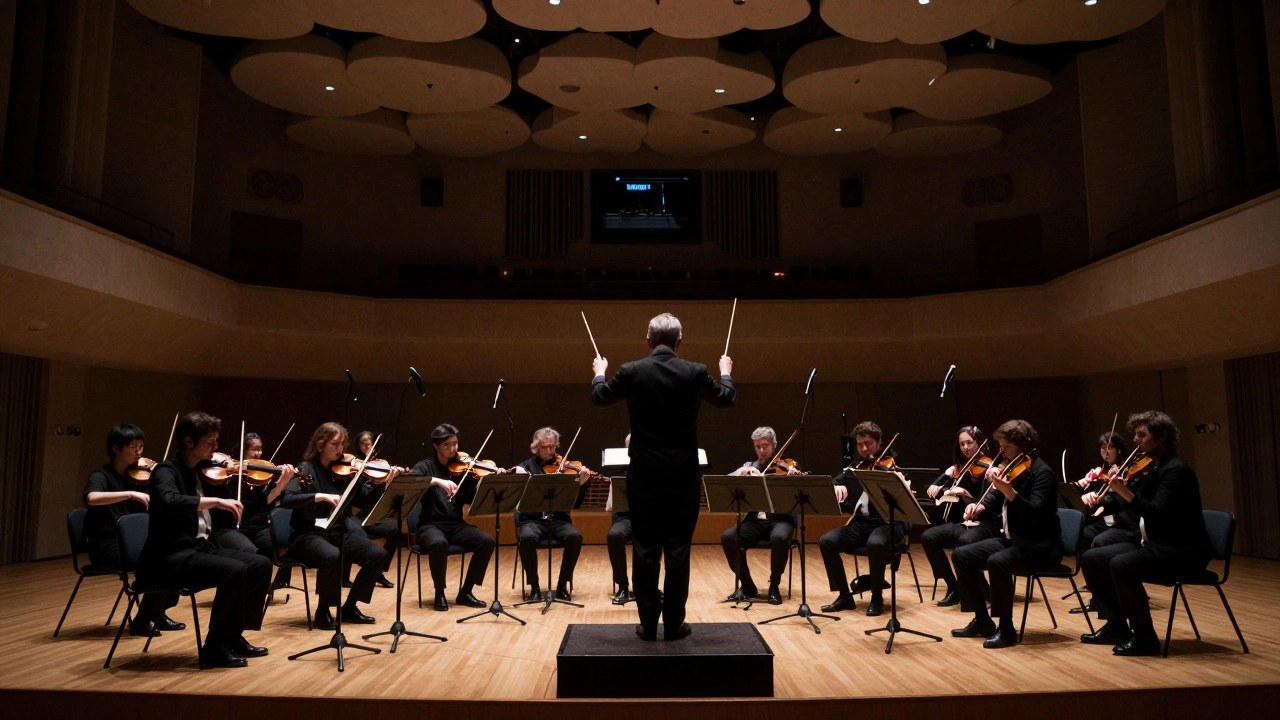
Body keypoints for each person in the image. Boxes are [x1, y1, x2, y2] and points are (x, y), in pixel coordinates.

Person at [591, 312, 736, 641]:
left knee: (644, 549)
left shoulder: (631, 371)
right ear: (679, 340)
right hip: (683, 476)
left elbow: (599, 398)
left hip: (643, 476)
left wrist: (599, 374)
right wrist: (726, 373)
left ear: (648, 340)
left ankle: (647, 624)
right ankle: (673, 624)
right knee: (678, 550)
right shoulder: (695, 371)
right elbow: (727, 399)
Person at [134, 412, 273, 668]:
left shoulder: (203, 472)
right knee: (234, 570)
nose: (216, 447)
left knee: (260, 563)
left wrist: (275, 489)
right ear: (189, 442)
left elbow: (240, 510)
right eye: (210, 442)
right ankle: (214, 648)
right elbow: (169, 501)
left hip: (198, 550)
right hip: (167, 558)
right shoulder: (167, 471)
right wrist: (216, 501)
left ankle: (232, 636)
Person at [1078, 411, 1211, 656]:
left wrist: (1123, 490)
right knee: (1092, 557)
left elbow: (1155, 512)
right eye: (1135, 435)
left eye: (1142, 435)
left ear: (1162, 437)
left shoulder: (1175, 471)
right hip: (1156, 543)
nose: (1136, 440)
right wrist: (1103, 500)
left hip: (1182, 549)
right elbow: (1126, 502)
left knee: (1122, 564)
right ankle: (1116, 626)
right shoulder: (1151, 467)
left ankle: (1145, 637)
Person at [950, 419, 1061, 649]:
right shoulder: (1012, 467)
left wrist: (1009, 491)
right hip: (1014, 541)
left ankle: (1006, 629)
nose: (1001, 452)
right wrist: (980, 506)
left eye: (1006, 447)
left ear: (1024, 445)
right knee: (962, 555)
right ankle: (982, 620)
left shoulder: (1042, 474)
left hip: (1039, 546)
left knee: (997, 562)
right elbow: (996, 498)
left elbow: (1035, 515)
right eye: (1000, 447)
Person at [280, 423, 399, 630]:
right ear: (320, 445)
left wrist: (383, 485)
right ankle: (323, 610)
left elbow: (364, 502)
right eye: (335, 444)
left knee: (376, 554)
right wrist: (318, 496)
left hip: (336, 531)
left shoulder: (346, 473)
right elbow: (287, 499)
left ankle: (350, 607)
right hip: (307, 535)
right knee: (333, 555)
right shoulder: (305, 469)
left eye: (343, 444)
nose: (340, 449)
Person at [83, 424, 184, 635]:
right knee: (157, 561)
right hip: (107, 545)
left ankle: (158, 612)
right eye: (133, 446)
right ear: (115, 449)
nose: (139, 451)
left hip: (136, 543)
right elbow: (91, 498)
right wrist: (130, 494)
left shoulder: (139, 477)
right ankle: (142, 620)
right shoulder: (102, 475)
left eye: (141, 445)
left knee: (176, 555)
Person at [410, 424, 497, 611]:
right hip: (430, 525)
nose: (453, 449)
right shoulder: (424, 466)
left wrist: (482, 481)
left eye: (455, 444)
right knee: (438, 543)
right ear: (436, 446)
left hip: (456, 524)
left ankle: (465, 591)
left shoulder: (463, 469)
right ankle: (439, 592)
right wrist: (436, 481)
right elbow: (412, 481)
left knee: (486, 541)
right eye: (447, 445)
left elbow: (472, 500)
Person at [818, 421, 900, 617]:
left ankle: (877, 598)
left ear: (879, 443)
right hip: (861, 523)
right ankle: (845, 596)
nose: (864, 449)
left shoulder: (889, 466)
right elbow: (835, 481)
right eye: (860, 444)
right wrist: (836, 485)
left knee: (875, 544)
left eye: (869, 443)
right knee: (827, 541)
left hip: (886, 524)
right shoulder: (854, 467)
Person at [721, 426, 800, 605]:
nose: (762, 451)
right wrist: (741, 474)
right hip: (756, 522)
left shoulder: (786, 465)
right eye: (757, 447)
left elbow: (801, 489)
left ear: (775, 445)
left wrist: (795, 478)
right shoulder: (750, 466)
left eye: (765, 446)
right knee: (728, 537)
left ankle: (774, 586)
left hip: (781, 520)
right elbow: (727, 480)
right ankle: (747, 586)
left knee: (780, 537)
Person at [922, 426, 997, 609]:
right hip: (965, 523)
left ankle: (981, 591)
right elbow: (933, 488)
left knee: (963, 542)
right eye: (962, 444)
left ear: (979, 443)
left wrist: (964, 493)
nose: (965, 447)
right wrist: (943, 480)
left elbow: (987, 505)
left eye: (969, 442)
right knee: (928, 537)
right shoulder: (962, 468)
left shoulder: (990, 469)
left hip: (986, 524)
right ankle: (953, 587)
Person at [512, 427, 591, 601]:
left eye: (552, 447)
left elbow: (574, 504)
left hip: (559, 520)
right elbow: (517, 501)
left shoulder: (565, 468)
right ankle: (534, 587)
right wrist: (521, 479)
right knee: (525, 538)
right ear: (536, 448)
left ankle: (562, 586)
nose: (549, 451)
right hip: (532, 520)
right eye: (544, 447)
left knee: (575, 536)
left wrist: (581, 484)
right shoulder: (525, 467)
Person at [1077, 431, 1137, 548]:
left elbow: (1123, 501)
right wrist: (1083, 487)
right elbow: (1090, 498)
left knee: (1095, 538)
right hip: (1100, 518)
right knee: (1080, 533)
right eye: (1103, 448)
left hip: (1120, 520)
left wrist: (1103, 499)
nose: (1106, 452)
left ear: (1119, 450)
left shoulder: (1126, 471)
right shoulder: (1098, 472)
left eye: (1110, 448)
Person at [606, 434, 635, 604]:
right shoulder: (620, 469)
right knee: (614, 535)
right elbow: (611, 505)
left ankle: (647, 586)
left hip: (647, 517)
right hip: (624, 517)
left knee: (654, 536)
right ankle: (622, 585)